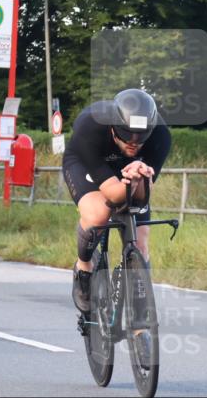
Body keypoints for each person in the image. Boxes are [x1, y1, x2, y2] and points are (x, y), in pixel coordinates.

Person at [62, 88, 171, 314]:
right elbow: (113, 194)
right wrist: (128, 182)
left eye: (140, 139)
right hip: (87, 163)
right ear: (113, 128)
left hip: (130, 173)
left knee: (141, 244)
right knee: (98, 216)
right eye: (126, 135)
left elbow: (142, 197)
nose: (133, 143)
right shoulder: (90, 126)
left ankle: (141, 317)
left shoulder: (161, 135)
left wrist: (139, 177)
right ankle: (84, 269)